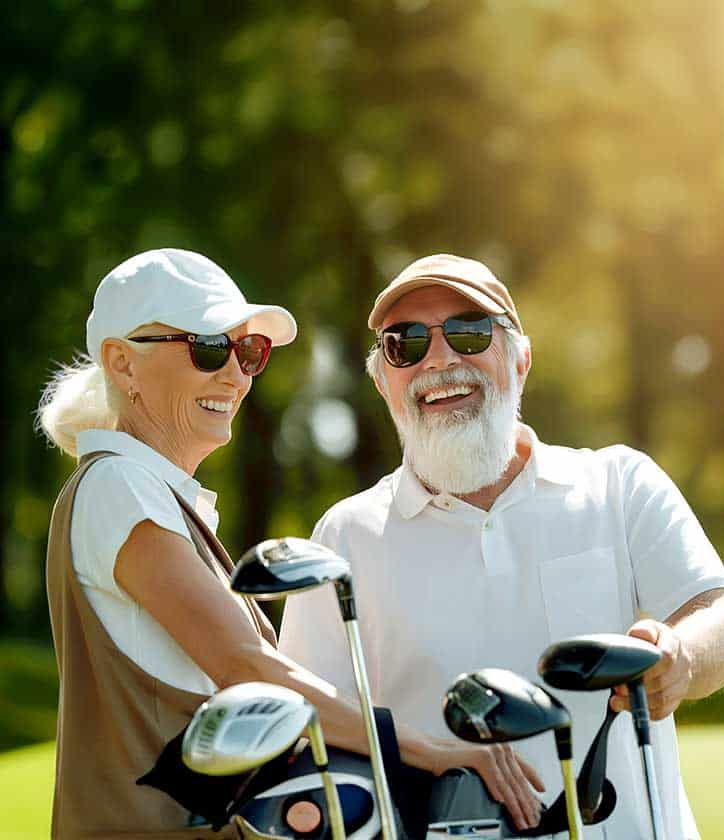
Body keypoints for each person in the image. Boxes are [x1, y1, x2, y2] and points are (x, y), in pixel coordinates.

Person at [39, 249, 512, 839]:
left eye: (248, 352)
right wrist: (427, 751)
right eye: (209, 348)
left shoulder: (144, 492)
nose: (236, 375)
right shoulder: (118, 484)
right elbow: (245, 668)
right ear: (122, 364)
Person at [279, 253, 724, 839]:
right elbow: (305, 720)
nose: (440, 359)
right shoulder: (343, 536)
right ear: (383, 382)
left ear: (520, 361)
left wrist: (680, 656)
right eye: (406, 344)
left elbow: (722, 624)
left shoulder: (619, 483)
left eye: (470, 333)